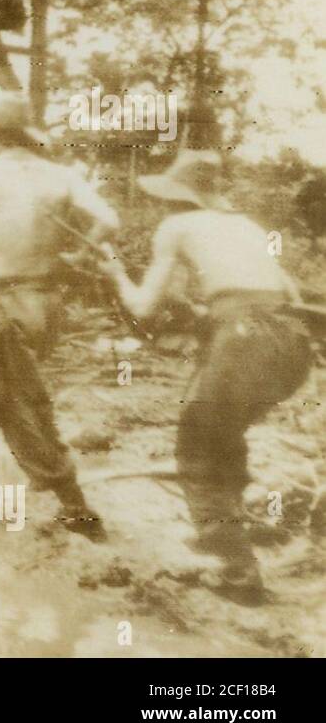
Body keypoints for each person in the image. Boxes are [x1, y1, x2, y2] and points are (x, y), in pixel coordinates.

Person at [98, 149, 313, 604]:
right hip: (291, 343)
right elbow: (283, 293)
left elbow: (141, 307)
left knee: (196, 451)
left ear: (180, 197)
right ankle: (227, 533)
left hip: (242, 340)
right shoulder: (246, 227)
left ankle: (238, 573)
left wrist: (116, 273)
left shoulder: (176, 226)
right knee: (225, 435)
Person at [0, 95, 119, 541]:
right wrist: (77, 251)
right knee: (5, 388)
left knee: (19, 401)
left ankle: (75, 505)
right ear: (29, 132)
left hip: (8, 299)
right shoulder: (61, 176)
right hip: (50, 303)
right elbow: (109, 220)